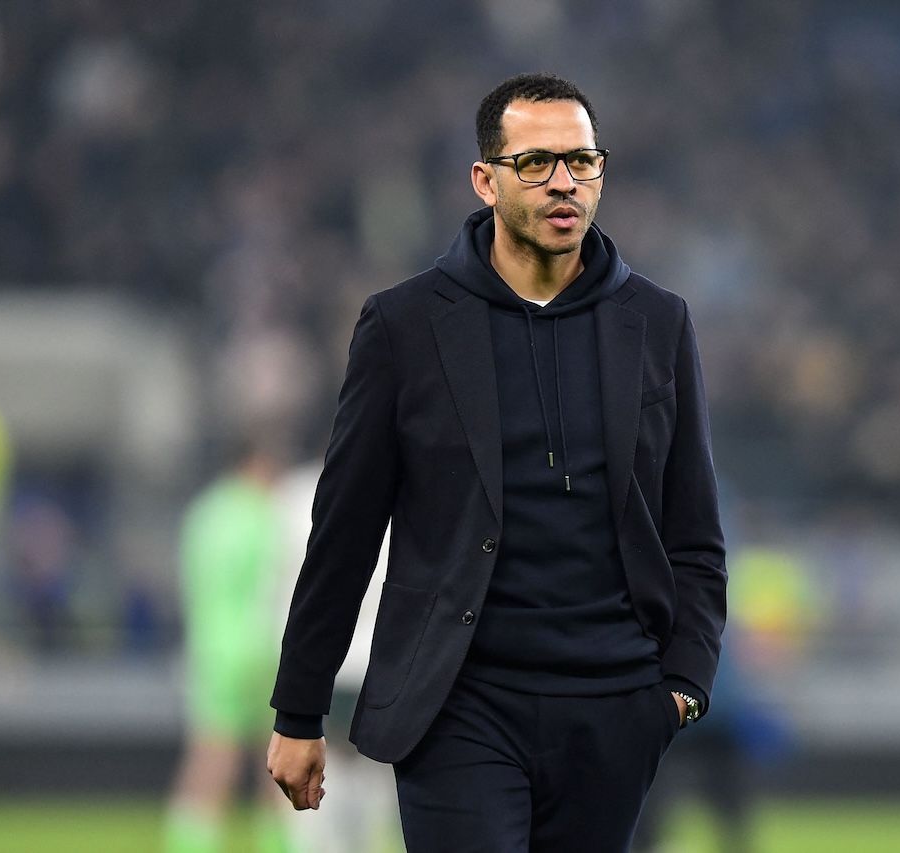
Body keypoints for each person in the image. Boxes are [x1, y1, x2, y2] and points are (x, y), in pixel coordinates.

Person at [267, 72, 727, 852]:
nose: (563, 182)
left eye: (582, 162)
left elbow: (695, 532)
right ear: (485, 181)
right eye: (536, 162)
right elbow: (344, 532)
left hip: (615, 708)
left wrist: (682, 687)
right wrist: (299, 710)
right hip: (457, 705)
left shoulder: (657, 322)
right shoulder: (404, 326)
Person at [165, 439, 296, 853]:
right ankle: (280, 846)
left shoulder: (204, 513)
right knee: (279, 761)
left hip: (212, 649)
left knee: (211, 757)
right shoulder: (270, 512)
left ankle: (188, 845)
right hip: (265, 648)